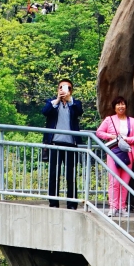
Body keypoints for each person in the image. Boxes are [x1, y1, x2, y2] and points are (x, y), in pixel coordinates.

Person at [96, 97, 134, 214]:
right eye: (118, 105)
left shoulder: (132, 121)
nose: (121, 107)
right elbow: (99, 132)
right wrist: (111, 137)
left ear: (126, 106)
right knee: (114, 181)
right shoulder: (109, 120)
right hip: (114, 152)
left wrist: (126, 139)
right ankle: (113, 206)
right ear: (114, 107)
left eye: (123, 104)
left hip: (128, 152)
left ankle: (122, 207)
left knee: (125, 181)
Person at [42, 79, 84, 207]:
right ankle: (53, 202)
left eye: (68, 88)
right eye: (62, 87)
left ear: (71, 91)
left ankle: (72, 203)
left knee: (71, 174)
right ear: (58, 89)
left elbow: (79, 112)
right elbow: (45, 112)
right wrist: (57, 100)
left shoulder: (75, 103)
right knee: (54, 174)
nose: (64, 90)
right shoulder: (52, 103)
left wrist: (69, 99)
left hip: (71, 145)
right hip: (55, 143)